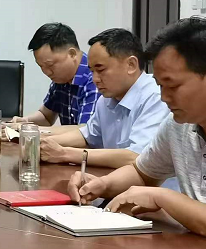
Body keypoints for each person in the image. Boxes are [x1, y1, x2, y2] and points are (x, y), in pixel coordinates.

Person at [69, 18, 206, 249]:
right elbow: (143, 172)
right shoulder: (180, 125)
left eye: (172, 85)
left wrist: (162, 197)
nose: (163, 97)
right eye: (160, 86)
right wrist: (102, 184)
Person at [40, 28, 169, 169]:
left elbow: (137, 157)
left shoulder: (156, 97)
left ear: (131, 65)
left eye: (100, 70)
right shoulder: (106, 99)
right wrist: (40, 143)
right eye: (92, 71)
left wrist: (64, 154)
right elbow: (87, 136)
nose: (95, 79)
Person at [12, 22, 100, 129]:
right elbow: (46, 116)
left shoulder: (94, 79)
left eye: (50, 65)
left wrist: (30, 130)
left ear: (72, 54)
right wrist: (24, 121)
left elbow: (85, 131)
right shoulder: (61, 79)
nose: (47, 72)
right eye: (41, 66)